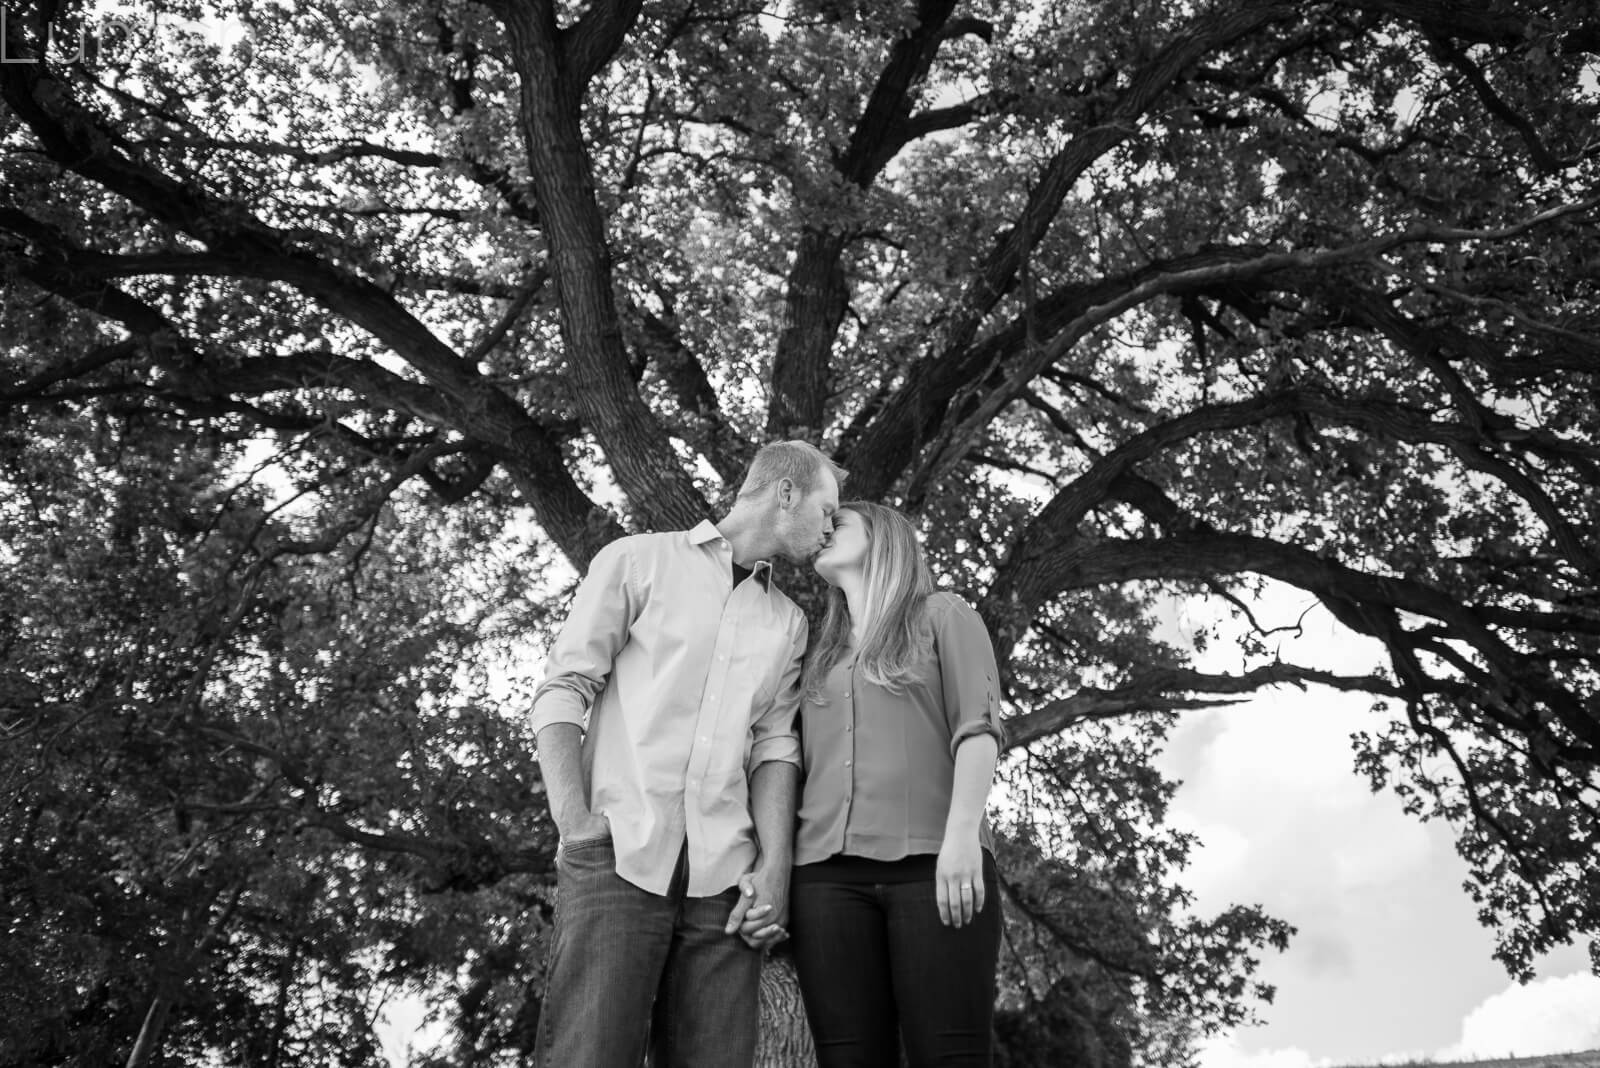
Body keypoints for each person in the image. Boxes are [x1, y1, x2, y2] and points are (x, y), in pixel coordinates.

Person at [528, 441, 846, 1068]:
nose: (832, 526)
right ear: (786, 493)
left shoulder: (789, 623)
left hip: (723, 885)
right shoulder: (636, 561)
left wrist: (774, 866)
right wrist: (575, 823)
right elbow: (564, 689)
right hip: (616, 853)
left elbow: (775, 749)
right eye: (827, 508)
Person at [789, 501, 1005, 1068]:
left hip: (936, 867)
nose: (823, 534)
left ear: (884, 538)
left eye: (839, 524)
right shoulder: (818, 655)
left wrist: (962, 841)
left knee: (951, 1056)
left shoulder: (944, 614)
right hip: (823, 881)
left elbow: (978, 731)